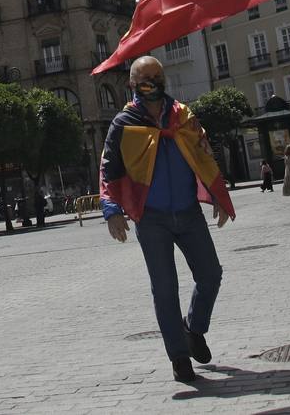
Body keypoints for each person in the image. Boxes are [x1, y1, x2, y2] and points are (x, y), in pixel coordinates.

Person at [100, 56, 235, 384]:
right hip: (152, 218)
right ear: (132, 84)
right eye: (145, 76)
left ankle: (194, 329)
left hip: (189, 212)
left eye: (157, 75)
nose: (152, 81)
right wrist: (112, 211)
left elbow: (203, 153)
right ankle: (179, 357)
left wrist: (216, 193)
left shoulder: (183, 116)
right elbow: (109, 168)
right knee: (165, 288)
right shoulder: (124, 123)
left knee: (211, 274)